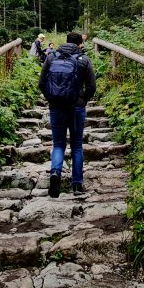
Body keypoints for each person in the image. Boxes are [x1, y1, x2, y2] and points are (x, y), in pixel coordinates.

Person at [39, 32, 96, 197]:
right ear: (80, 44)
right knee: (77, 146)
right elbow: (91, 87)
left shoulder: (52, 58)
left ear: (66, 42)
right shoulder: (84, 60)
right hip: (76, 107)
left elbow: (42, 83)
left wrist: (51, 99)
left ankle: (55, 173)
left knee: (58, 144)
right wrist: (82, 100)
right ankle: (77, 185)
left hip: (56, 107)